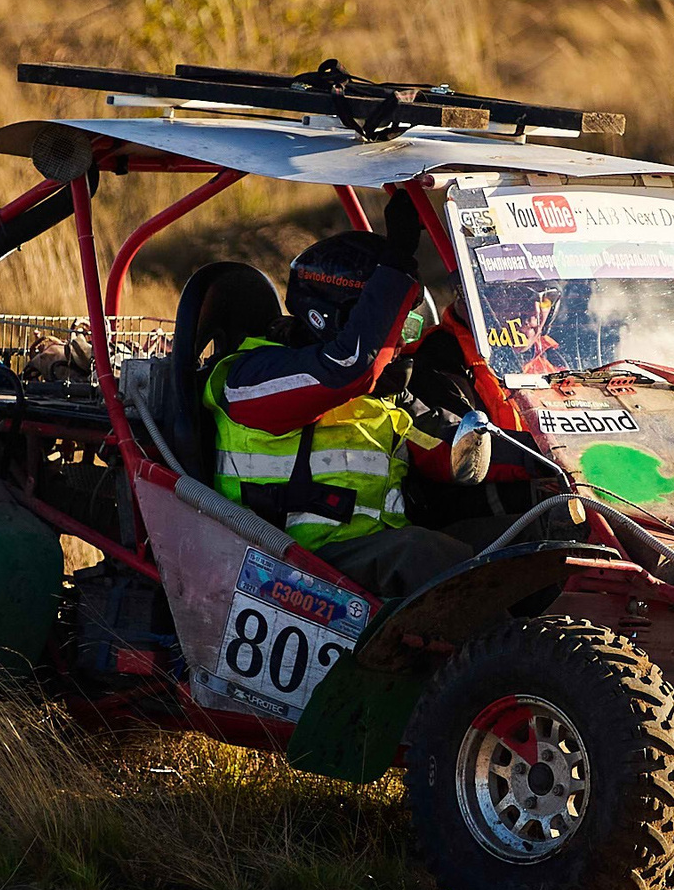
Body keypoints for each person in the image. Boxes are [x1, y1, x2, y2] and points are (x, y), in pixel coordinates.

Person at [204, 192, 483, 601]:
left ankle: (556, 651)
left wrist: (561, 465)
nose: (402, 341)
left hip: (366, 557)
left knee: (527, 535)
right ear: (337, 317)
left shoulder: (379, 393)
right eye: (392, 325)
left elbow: (444, 448)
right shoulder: (249, 378)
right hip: (288, 567)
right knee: (425, 553)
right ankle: (504, 659)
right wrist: (399, 257)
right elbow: (349, 365)